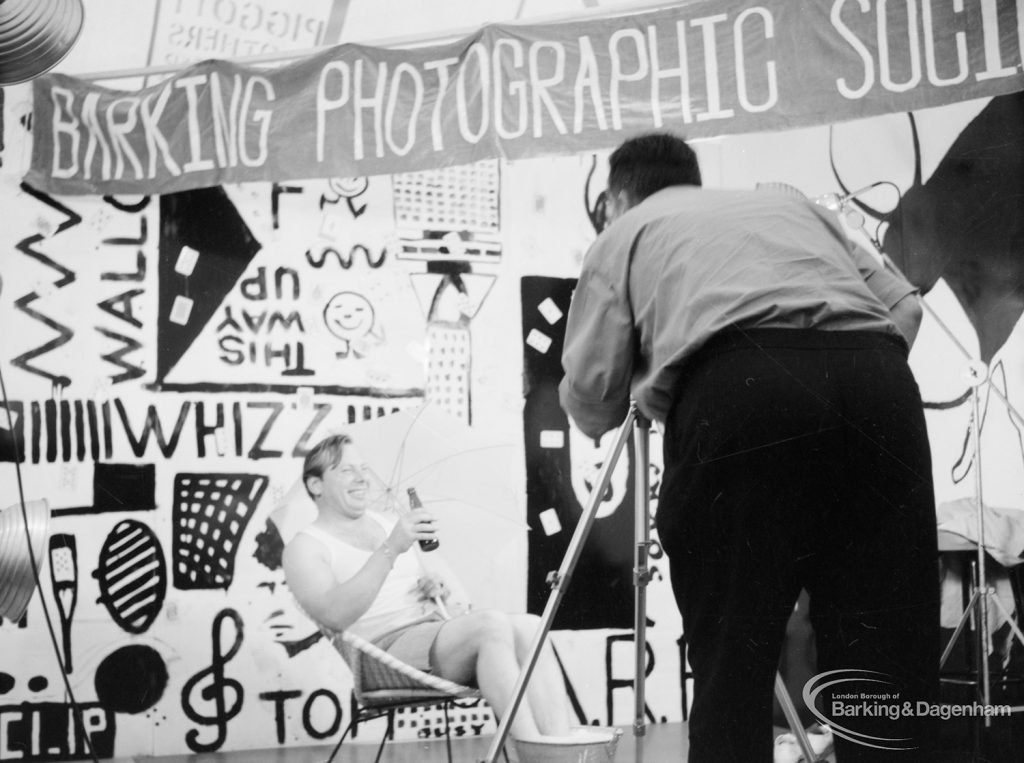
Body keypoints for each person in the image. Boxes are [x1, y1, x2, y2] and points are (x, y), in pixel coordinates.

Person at [559, 133, 940, 761]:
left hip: (741, 389)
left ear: (616, 197)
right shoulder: (796, 210)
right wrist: (842, 374)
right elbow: (906, 311)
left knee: (732, 659)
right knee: (885, 659)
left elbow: (594, 400)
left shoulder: (625, 232)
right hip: (878, 383)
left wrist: (671, 383)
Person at [282, 433, 586, 744]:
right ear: (316, 485)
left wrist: (436, 587)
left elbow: (442, 590)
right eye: (346, 471)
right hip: (381, 655)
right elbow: (334, 615)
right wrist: (390, 548)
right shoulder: (305, 548)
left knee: (529, 626)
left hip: (432, 634)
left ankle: (559, 748)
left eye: (363, 468)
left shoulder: (390, 523)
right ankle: (534, 751)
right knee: (490, 625)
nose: (362, 479)